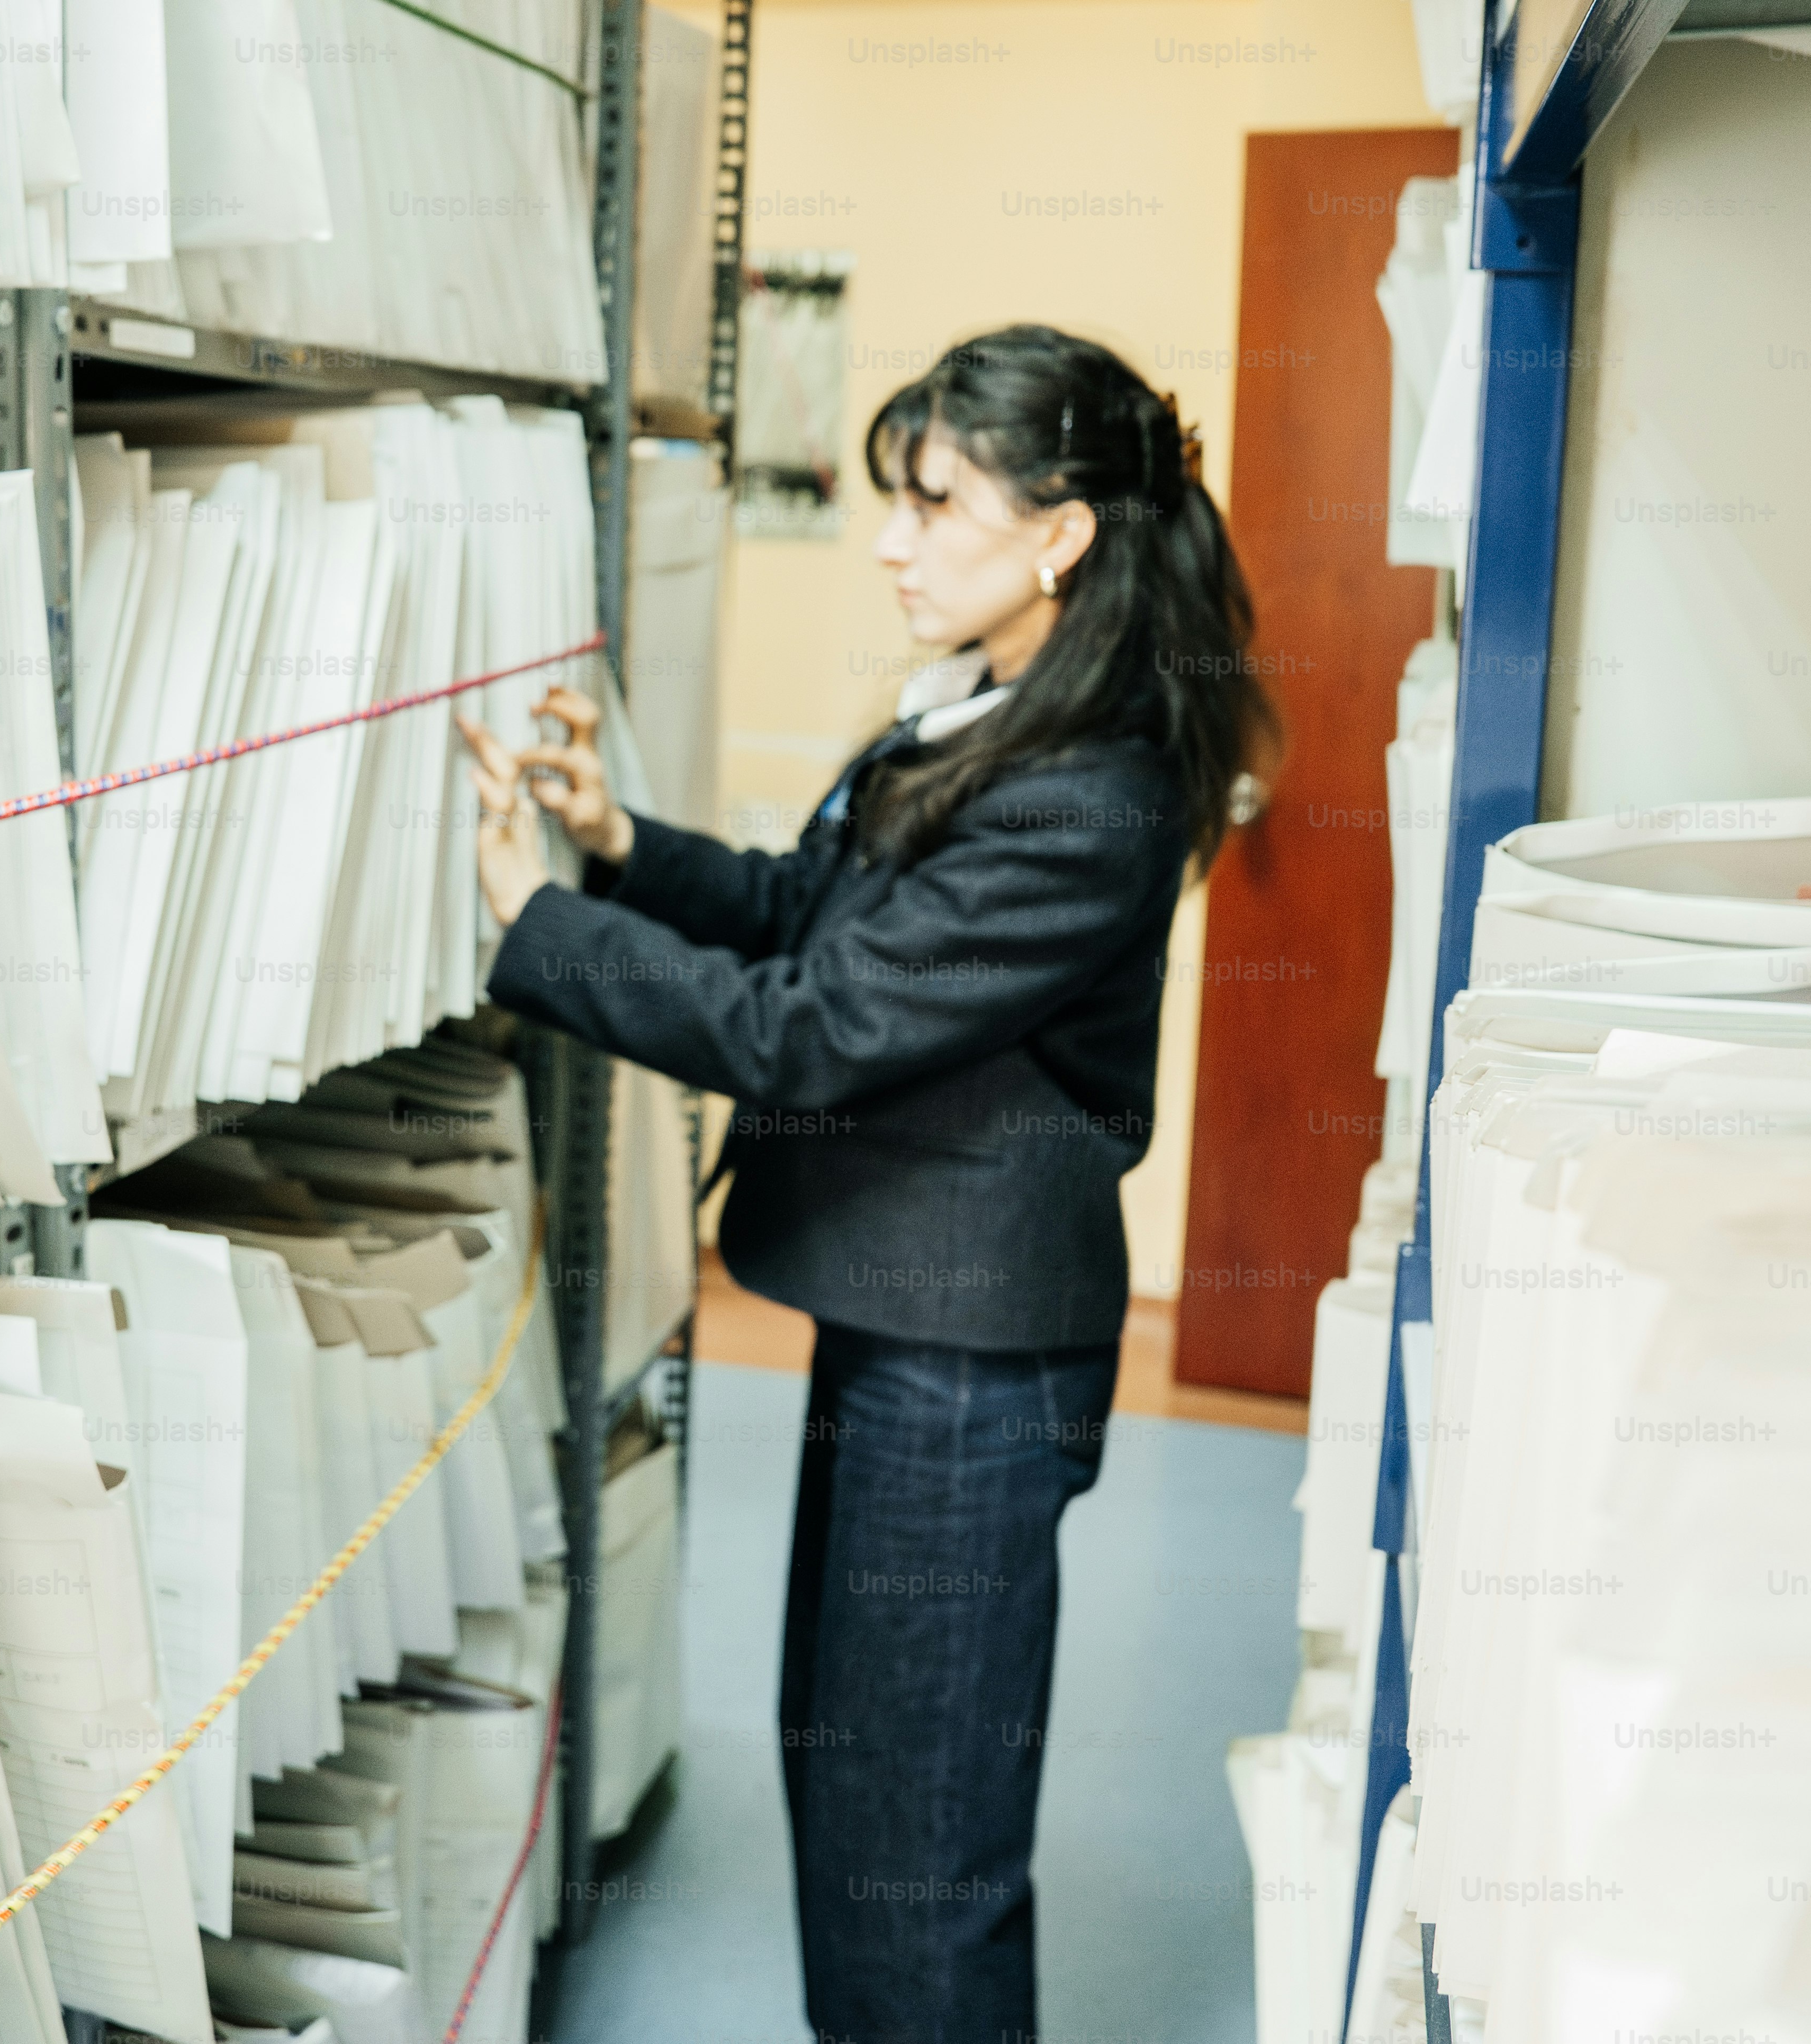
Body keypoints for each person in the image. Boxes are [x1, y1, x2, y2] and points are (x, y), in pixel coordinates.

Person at [459, 324, 1272, 2044]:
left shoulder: (1091, 789)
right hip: (906, 1332)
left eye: (935, 503)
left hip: (969, 1376)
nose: (891, 544)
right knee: (857, 1797)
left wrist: (540, 926)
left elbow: (810, 1027)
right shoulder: (993, 715)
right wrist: (622, 849)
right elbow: (812, 918)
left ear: (1061, 534)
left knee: (919, 1851)